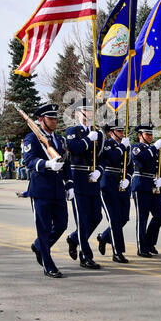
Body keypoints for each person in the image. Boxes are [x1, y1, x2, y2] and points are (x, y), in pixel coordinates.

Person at [23, 103, 73, 279]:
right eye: (50, 118)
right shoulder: (32, 138)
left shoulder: (59, 140)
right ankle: (48, 263)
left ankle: (39, 246)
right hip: (41, 189)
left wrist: (70, 183)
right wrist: (46, 164)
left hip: (57, 188)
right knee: (43, 228)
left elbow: (66, 163)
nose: (54, 121)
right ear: (41, 120)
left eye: (55, 118)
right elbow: (28, 161)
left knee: (61, 224)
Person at [65, 98, 105, 270]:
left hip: (93, 179)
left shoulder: (99, 133)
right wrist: (88, 139)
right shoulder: (72, 131)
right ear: (77, 114)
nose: (88, 115)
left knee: (96, 217)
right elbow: (74, 148)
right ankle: (85, 255)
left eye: (90, 111)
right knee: (83, 219)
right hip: (79, 178)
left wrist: (100, 171)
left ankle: (74, 238)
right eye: (84, 111)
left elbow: (102, 157)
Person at [97, 119, 133, 264]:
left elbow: (130, 166)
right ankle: (117, 252)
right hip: (108, 183)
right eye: (119, 131)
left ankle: (104, 237)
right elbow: (112, 158)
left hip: (122, 184)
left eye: (123, 131)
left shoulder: (126, 146)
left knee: (124, 218)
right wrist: (121, 148)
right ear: (111, 133)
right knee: (115, 219)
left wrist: (128, 179)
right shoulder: (106, 144)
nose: (122, 133)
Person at [131, 123, 161, 257]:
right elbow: (142, 159)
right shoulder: (136, 147)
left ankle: (150, 242)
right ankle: (142, 247)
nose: (151, 137)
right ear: (140, 135)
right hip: (141, 185)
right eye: (148, 134)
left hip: (155, 186)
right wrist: (155, 147)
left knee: (160, 214)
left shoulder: (155, 149)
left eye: (152, 134)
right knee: (142, 218)